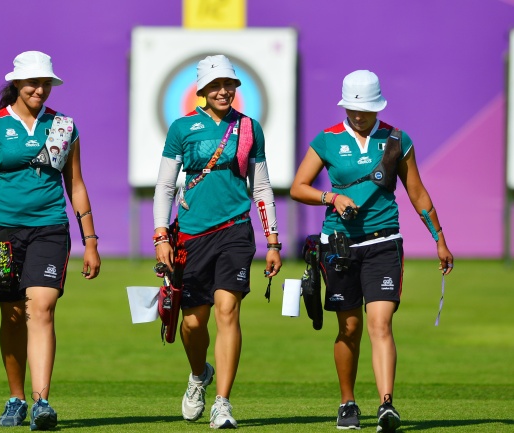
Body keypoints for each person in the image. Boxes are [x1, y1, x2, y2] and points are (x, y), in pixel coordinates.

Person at [0, 51, 100, 431]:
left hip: (50, 229)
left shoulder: (63, 126)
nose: (39, 90)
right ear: (16, 84)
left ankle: (42, 402)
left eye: (45, 83)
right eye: (32, 83)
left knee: (41, 308)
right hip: (3, 234)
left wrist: (90, 240)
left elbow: (76, 185)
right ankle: (17, 399)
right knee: (12, 315)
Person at [290, 70, 453, 432]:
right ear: (344, 106)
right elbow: (298, 187)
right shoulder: (327, 140)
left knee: (381, 323)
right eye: (353, 109)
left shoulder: (397, 140)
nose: (359, 115)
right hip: (340, 246)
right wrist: (331, 197)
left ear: (378, 106)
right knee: (349, 328)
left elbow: (417, 192)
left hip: (383, 243)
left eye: (366, 109)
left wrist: (439, 238)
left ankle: (386, 405)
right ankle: (347, 402)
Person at [153, 54, 282, 429]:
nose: (223, 91)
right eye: (215, 86)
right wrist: (161, 234)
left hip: (235, 232)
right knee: (193, 324)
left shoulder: (249, 128)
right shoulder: (182, 127)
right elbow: (165, 186)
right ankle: (199, 376)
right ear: (202, 91)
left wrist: (273, 240)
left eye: (228, 84)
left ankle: (222, 404)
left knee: (228, 311)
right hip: (191, 236)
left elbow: (261, 187)